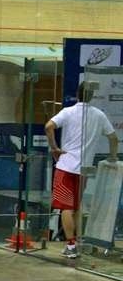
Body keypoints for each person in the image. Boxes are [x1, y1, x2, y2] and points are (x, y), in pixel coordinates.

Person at [45, 81, 118, 259]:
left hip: (65, 167)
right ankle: (76, 242)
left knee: (66, 208)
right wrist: (113, 157)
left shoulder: (68, 112)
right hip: (84, 170)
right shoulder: (99, 115)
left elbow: (48, 127)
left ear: (77, 94)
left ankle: (71, 246)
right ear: (92, 96)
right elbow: (114, 138)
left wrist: (54, 148)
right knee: (76, 207)